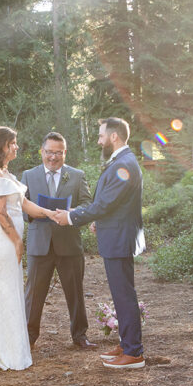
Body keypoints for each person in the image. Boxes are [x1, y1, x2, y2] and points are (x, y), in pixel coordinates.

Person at [54, 117, 146, 369]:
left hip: (119, 239)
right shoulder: (122, 161)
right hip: (115, 234)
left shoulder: (124, 163)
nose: (98, 140)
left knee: (124, 295)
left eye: (101, 135)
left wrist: (72, 217)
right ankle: (126, 344)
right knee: (121, 294)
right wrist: (99, 220)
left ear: (114, 137)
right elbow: (113, 204)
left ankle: (134, 352)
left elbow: (106, 203)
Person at [0, 126, 56, 370]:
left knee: (10, 291)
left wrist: (51, 213)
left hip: (7, 241)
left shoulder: (5, 172)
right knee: (2, 292)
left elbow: (24, 203)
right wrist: (17, 241)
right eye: (13, 143)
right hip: (0, 243)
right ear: (3, 146)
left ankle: (9, 347)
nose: (17, 147)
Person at [21, 132, 95, 350]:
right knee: (33, 294)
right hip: (39, 243)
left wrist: (71, 213)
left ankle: (80, 335)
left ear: (65, 153)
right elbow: (20, 207)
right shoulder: (28, 175)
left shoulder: (77, 175)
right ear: (42, 152)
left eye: (58, 153)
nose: (53, 157)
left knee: (75, 292)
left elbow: (87, 204)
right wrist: (40, 213)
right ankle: (28, 336)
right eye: (49, 152)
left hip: (69, 243)